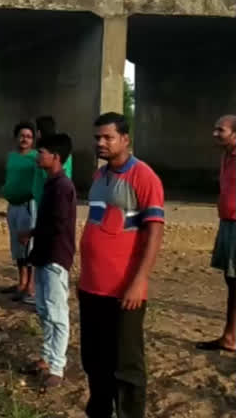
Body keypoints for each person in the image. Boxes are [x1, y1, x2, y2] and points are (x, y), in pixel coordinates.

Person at [79, 112, 164, 418]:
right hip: (91, 287)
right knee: (94, 359)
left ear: (125, 139)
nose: (100, 143)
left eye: (108, 137)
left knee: (126, 365)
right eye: (97, 137)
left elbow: (154, 232)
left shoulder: (143, 177)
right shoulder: (100, 176)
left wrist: (139, 282)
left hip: (122, 290)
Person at [18, 134, 76, 390]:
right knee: (44, 309)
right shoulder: (52, 184)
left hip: (55, 256)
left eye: (42, 151)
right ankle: (47, 357)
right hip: (44, 254)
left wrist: (35, 234)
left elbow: (58, 225)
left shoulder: (62, 187)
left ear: (56, 156)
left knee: (57, 313)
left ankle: (57, 366)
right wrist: (33, 234)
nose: (37, 156)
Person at [196, 114, 236, 352]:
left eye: (220, 130)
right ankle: (230, 335)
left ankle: (230, 337)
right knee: (231, 280)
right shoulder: (226, 157)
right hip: (227, 223)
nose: (215, 134)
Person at [1, 121, 38, 305]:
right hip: (12, 206)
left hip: (27, 206)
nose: (25, 139)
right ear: (16, 137)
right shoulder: (11, 156)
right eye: (22, 135)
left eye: (29, 136)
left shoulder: (36, 157)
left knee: (28, 247)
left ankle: (30, 285)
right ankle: (21, 282)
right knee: (17, 247)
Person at [32, 116, 73, 206]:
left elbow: (47, 176)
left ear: (39, 132)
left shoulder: (46, 154)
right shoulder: (63, 149)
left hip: (47, 201)